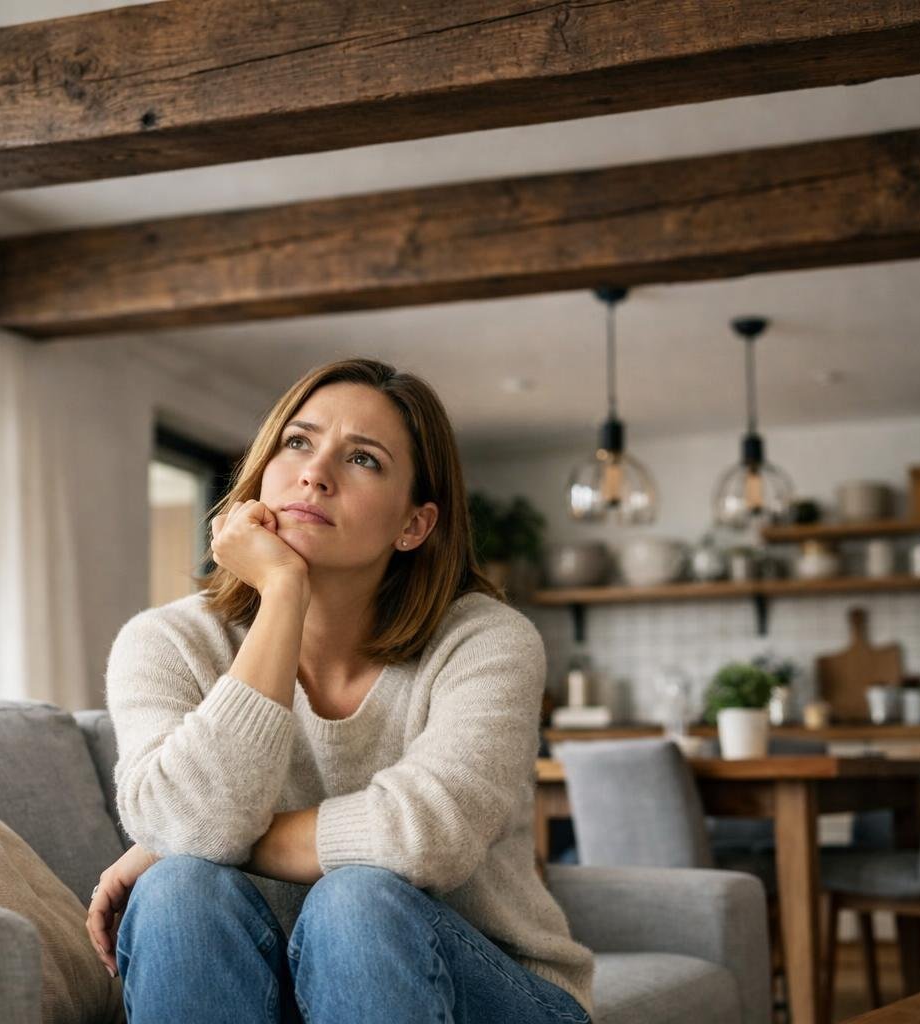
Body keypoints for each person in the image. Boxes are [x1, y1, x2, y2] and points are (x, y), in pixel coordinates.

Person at [86, 358, 594, 1023]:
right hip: (277, 990)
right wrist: (283, 597)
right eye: (298, 441)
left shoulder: (486, 642)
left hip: (494, 993)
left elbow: (424, 835)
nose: (314, 473)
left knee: (355, 900)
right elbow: (181, 831)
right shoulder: (166, 643)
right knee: (178, 888)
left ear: (414, 525)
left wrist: (194, 836)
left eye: (364, 460)